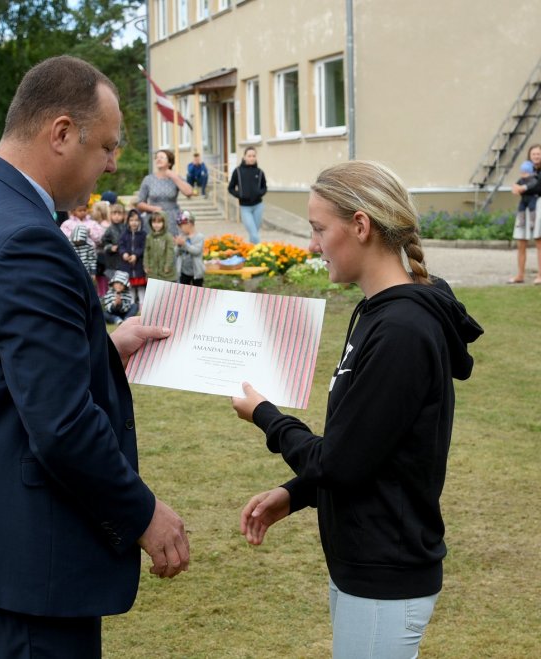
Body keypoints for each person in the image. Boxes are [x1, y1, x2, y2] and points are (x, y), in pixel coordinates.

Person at [0, 55, 189, 659]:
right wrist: (143, 513)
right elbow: (62, 424)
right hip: (19, 556)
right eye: (107, 147)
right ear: (61, 133)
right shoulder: (27, 238)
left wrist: (101, 349)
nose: (113, 164)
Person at [231, 160, 483, 659]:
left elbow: (339, 463)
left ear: (361, 226)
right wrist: (296, 493)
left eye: (319, 229)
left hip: (385, 572)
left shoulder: (403, 331)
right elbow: (364, 447)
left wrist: (265, 416)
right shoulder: (375, 313)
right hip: (364, 565)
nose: (312, 245)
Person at [509, 144, 541, 285]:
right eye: (533, 154)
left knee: (539, 241)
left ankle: (540, 275)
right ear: (530, 156)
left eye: (538, 154)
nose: (536, 156)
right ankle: (520, 275)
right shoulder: (526, 170)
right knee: (521, 242)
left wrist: (522, 189)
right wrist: (518, 188)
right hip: (524, 207)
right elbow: (516, 187)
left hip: (539, 207)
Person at [135, 149, 194, 236]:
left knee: (172, 242)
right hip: (154, 218)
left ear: (169, 163)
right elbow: (140, 203)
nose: (158, 159)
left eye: (162, 157)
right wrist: (153, 208)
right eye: (157, 157)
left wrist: (174, 177)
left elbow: (189, 192)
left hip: (172, 218)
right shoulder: (148, 179)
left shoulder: (175, 177)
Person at [228, 146, 268, 244]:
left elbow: (264, 187)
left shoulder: (260, 172)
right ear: (244, 157)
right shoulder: (237, 171)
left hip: (258, 206)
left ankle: (251, 250)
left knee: (254, 234)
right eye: (249, 156)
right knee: (254, 234)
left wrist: (259, 193)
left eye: (254, 156)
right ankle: (260, 250)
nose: (252, 158)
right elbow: (230, 188)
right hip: (245, 208)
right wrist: (240, 195)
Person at [118, 207, 147, 305]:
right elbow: (121, 245)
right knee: (130, 287)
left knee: (141, 287)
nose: (134, 223)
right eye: (131, 220)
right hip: (127, 265)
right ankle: (131, 304)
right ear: (128, 221)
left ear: (140, 221)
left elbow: (143, 247)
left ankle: (142, 304)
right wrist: (124, 253)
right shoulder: (124, 234)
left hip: (139, 264)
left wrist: (136, 255)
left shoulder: (143, 234)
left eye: (136, 220)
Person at [174, 211, 205, 287]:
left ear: (190, 223)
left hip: (196, 272)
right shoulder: (182, 236)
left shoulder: (199, 237)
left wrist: (184, 244)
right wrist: (178, 245)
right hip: (184, 272)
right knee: (183, 290)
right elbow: (176, 253)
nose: (180, 228)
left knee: (197, 291)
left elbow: (196, 251)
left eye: (182, 225)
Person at [144, 211, 176, 283]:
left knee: (165, 287)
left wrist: (168, 265)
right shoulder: (149, 237)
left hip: (165, 270)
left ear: (164, 223)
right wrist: (146, 265)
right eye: (154, 222)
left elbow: (170, 252)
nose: (156, 225)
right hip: (152, 269)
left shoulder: (168, 237)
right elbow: (146, 252)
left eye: (159, 222)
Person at [102, 204, 128, 284]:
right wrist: (110, 247)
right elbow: (104, 242)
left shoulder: (127, 228)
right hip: (113, 260)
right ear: (110, 215)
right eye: (114, 213)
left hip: (125, 258)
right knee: (115, 282)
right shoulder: (109, 229)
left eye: (119, 214)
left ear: (124, 215)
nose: (117, 216)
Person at [92, 201, 111, 296]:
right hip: (108, 254)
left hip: (100, 254)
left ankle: (102, 294)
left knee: (101, 275)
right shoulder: (109, 224)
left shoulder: (98, 225)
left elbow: (100, 239)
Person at [514, 160, 539, 226]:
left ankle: (532, 221)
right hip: (524, 197)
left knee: (532, 207)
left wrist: (523, 187)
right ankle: (521, 221)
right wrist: (515, 188)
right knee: (520, 207)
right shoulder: (521, 179)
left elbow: (532, 184)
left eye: (525, 173)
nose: (523, 175)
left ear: (529, 173)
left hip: (532, 197)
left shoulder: (533, 179)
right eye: (522, 173)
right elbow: (516, 184)